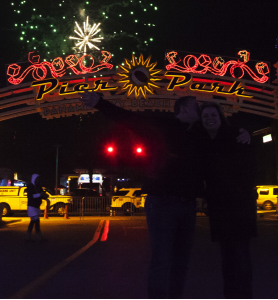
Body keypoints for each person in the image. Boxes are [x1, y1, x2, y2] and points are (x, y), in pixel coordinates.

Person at [81, 92, 250, 299]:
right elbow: (129, 119)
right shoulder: (162, 126)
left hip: (187, 206)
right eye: (196, 106)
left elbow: (222, 138)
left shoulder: (199, 134)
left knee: (182, 260)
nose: (200, 110)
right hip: (161, 203)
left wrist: (243, 133)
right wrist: (100, 102)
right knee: (162, 258)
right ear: (185, 109)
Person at [197, 102, 256, 299]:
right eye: (205, 116)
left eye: (213, 115)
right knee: (227, 257)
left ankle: (244, 295)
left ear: (220, 116)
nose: (209, 119)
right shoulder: (203, 141)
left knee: (240, 255)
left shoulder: (236, 136)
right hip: (220, 208)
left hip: (239, 206)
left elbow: (248, 169)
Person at [25, 173, 50, 241]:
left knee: (33, 221)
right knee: (36, 221)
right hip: (32, 206)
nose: (38, 180)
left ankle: (28, 236)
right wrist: (40, 194)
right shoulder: (30, 186)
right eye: (37, 179)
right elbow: (31, 196)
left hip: (36, 206)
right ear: (34, 179)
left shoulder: (39, 186)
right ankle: (39, 237)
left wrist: (45, 196)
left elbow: (41, 195)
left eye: (39, 179)